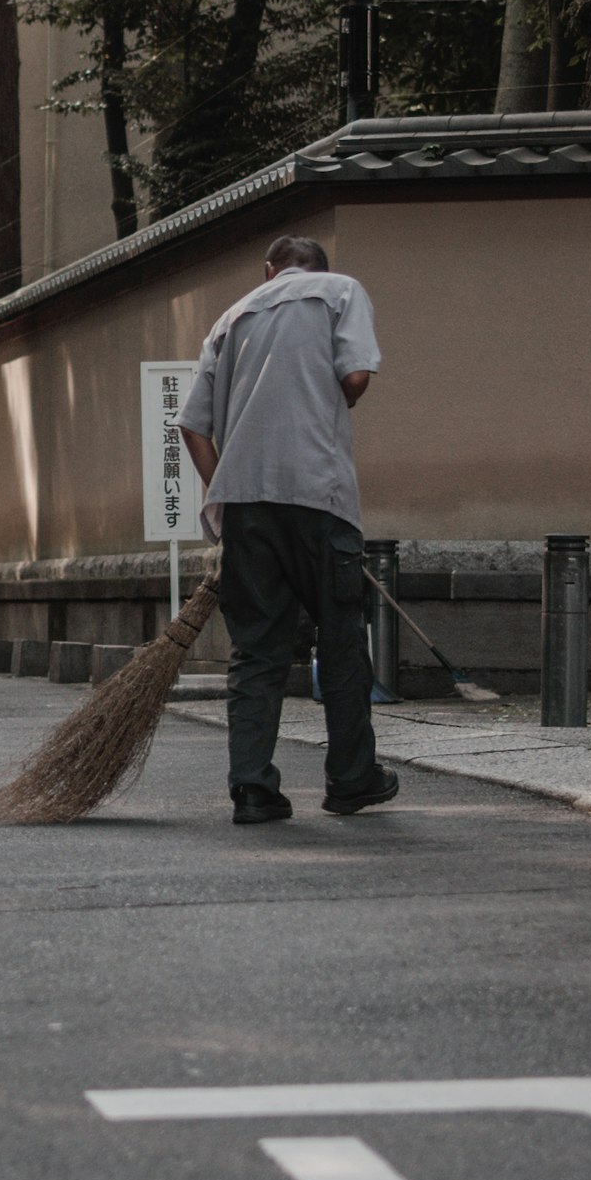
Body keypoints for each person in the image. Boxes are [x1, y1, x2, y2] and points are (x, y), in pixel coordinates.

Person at [173, 235, 399, 824]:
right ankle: (351, 780)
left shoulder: (229, 318)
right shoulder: (340, 290)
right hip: (316, 493)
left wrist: (225, 486)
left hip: (244, 503)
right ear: (319, 269)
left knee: (257, 651)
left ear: (269, 271)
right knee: (341, 639)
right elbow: (355, 379)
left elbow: (192, 427)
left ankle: (252, 787)